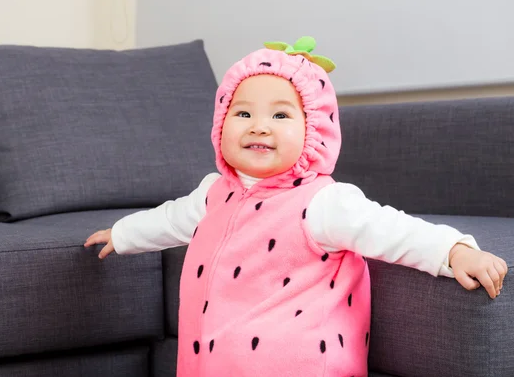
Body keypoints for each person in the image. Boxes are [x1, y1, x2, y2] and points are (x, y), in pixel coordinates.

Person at [84, 36, 508, 376]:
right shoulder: (214, 192)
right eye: (243, 113)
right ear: (220, 126)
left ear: (314, 131)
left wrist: (453, 251)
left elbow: (392, 230)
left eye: (281, 116)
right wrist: (122, 234)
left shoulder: (323, 203)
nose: (260, 126)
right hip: (214, 358)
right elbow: (171, 220)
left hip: (298, 362)